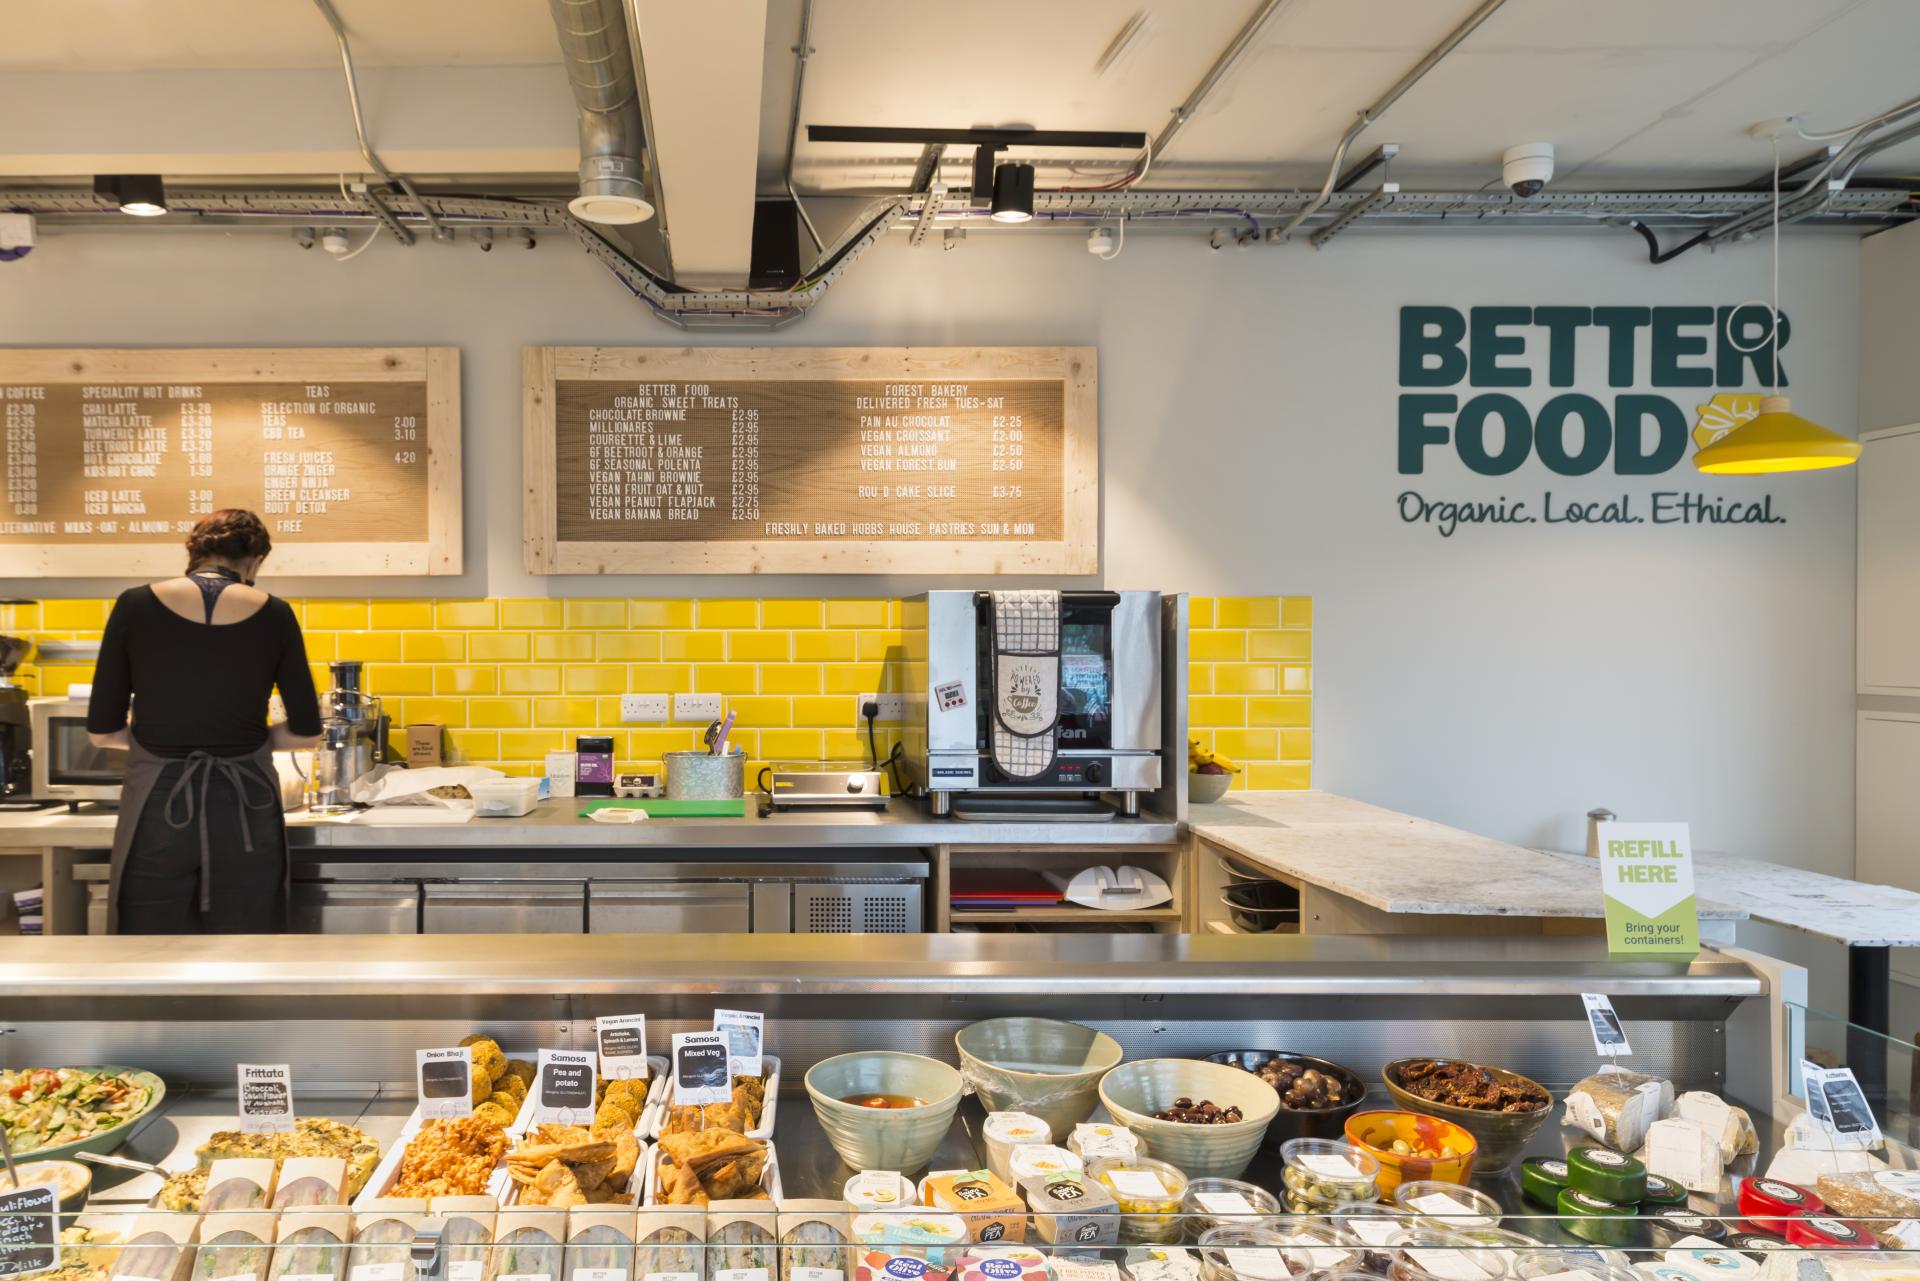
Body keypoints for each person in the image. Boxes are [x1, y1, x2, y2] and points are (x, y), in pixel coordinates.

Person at [86, 509, 323, 933]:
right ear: (254, 561)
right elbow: (306, 732)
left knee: (149, 946)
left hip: (157, 807)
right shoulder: (275, 613)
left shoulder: (134, 604)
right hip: (246, 804)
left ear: (194, 553)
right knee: (247, 942)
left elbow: (103, 731)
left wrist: (155, 745)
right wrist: (248, 744)